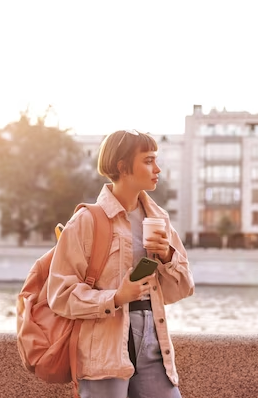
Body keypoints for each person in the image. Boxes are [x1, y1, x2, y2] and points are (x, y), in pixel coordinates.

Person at [48, 129, 195, 398]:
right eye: (148, 160)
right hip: (104, 347)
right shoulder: (87, 221)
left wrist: (166, 257)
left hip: (153, 341)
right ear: (122, 166)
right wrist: (116, 297)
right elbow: (60, 295)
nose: (157, 168)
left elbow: (183, 287)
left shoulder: (158, 218)